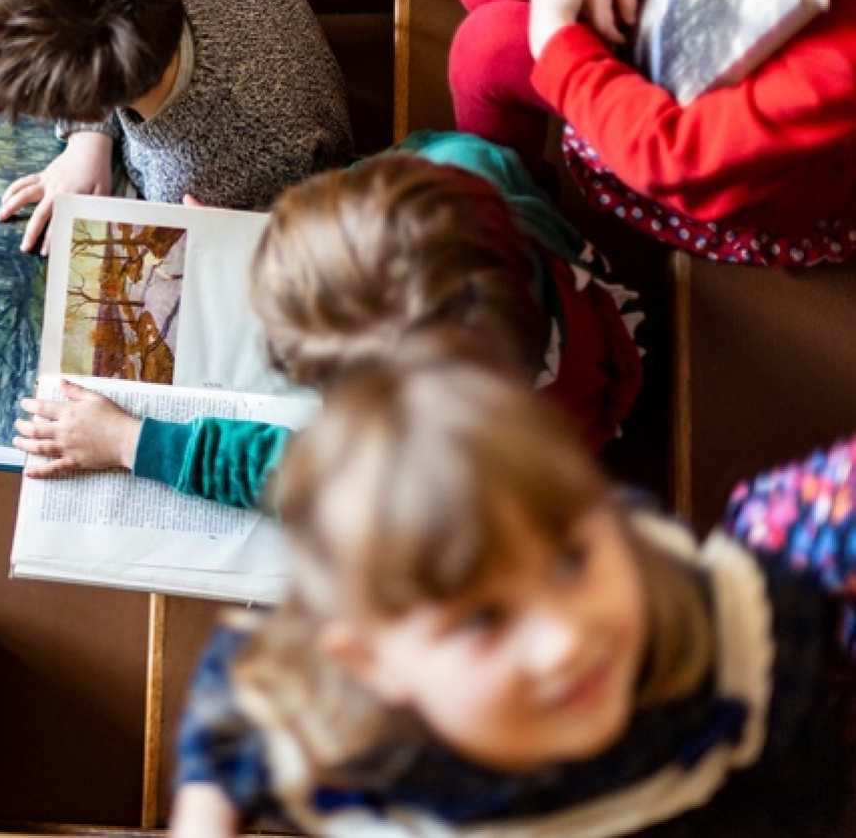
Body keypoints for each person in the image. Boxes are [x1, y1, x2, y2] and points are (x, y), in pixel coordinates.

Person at [170, 348, 855, 837]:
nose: (565, 639)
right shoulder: (338, 732)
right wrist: (203, 812)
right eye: (482, 620)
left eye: (570, 562)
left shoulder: (746, 628)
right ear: (371, 664)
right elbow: (239, 688)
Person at [14, 135, 644, 510]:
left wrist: (127, 443)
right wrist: (248, 232)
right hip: (583, 323)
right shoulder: (462, 168)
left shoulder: (434, 459)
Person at [0, 0, 356, 252]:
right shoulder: (150, 2)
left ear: (91, 104)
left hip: (283, 218)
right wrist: (87, 140)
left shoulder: (200, 173)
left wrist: (221, 247)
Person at [449, 0, 856, 267]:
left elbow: (676, 156)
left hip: (719, 164)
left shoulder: (840, 65)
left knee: (487, 48)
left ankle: (512, 219)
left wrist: (556, 36)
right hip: (681, 26)